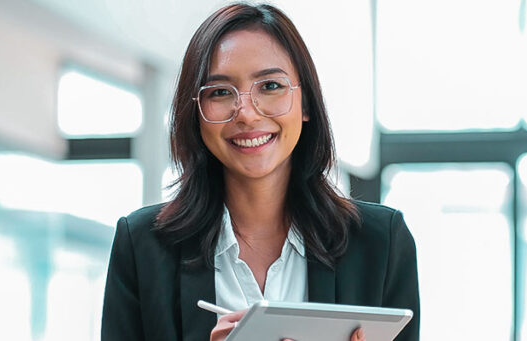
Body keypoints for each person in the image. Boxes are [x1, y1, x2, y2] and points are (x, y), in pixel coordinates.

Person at [100, 3, 419, 341]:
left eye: (270, 86)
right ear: (195, 113)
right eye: (221, 92)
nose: (247, 114)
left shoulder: (379, 243)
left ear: (306, 102)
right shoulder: (142, 246)